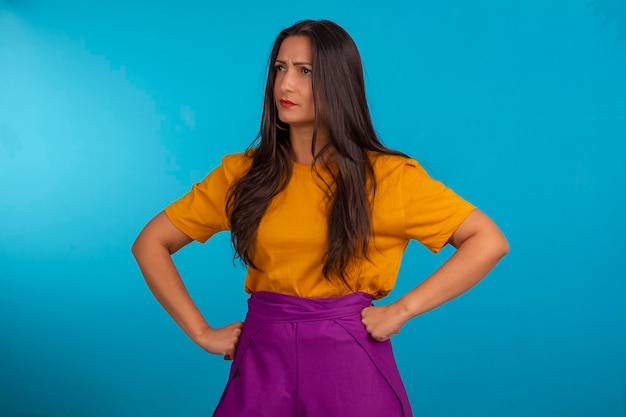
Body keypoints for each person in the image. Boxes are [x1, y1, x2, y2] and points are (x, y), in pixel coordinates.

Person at [132, 19, 508, 417]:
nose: (285, 85)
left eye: (305, 72)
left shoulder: (388, 179)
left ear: (338, 83)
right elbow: (150, 243)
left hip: (351, 361)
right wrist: (201, 333)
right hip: (264, 357)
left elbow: (488, 240)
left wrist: (401, 311)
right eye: (280, 68)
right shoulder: (242, 175)